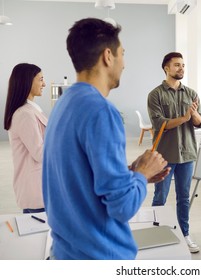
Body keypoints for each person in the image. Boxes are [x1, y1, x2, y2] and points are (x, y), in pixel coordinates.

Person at [42, 18, 169, 260]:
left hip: (66, 253)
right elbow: (123, 207)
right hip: (99, 256)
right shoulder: (101, 111)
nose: (124, 63)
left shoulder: (62, 105)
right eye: (122, 54)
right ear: (108, 56)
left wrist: (131, 173)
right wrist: (141, 175)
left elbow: (81, 179)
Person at [147, 52, 201, 253]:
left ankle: (185, 234)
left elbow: (200, 122)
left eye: (183, 65)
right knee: (160, 195)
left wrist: (194, 115)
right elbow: (159, 124)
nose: (181, 68)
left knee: (184, 197)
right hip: (164, 155)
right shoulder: (155, 95)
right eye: (177, 65)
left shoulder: (191, 93)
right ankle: (157, 233)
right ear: (166, 68)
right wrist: (184, 117)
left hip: (187, 154)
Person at [3, 63, 47, 214]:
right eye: (41, 79)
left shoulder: (31, 111)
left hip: (41, 189)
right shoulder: (25, 114)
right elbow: (40, 153)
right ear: (28, 81)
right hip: (36, 192)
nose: (44, 84)